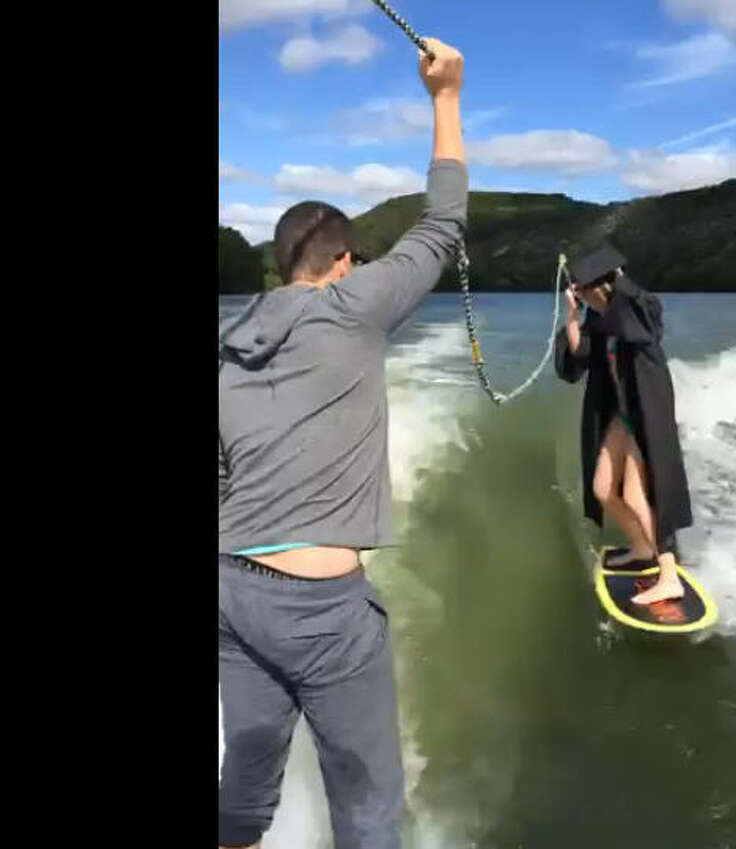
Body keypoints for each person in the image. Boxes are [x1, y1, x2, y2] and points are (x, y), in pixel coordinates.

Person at [217, 37, 466, 849]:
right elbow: (443, 223)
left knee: (244, 784)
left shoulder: (230, 344)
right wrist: (445, 98)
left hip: (230, 591)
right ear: (345, 263)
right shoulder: (353, 306)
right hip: (319, 609)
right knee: (368, 807)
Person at [554, 243, 694, 605]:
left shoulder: (640, 310)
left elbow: (643, 317)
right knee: (603, 489)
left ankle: (669, 576)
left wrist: (616, 278)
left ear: (602, 289)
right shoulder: (601, 323)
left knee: (638, 494)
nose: (582, 298)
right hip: (620, 416)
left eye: (585, 293)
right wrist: (572, 314)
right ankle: (642, 548)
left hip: (646, 414)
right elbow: (579, 355)